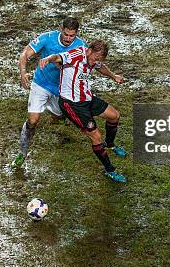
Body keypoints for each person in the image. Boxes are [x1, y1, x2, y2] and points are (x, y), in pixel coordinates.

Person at [38, 40, 127, 182]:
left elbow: (100, 66)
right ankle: (110, 170)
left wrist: (113, 76)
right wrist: (48, 59)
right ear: (89, 50)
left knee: (114, 116)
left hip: (86, 98)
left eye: (99, 59)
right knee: (96, 136)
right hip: (72, 104)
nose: (95, 62)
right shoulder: (75, 54)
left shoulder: (94, 59)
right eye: (95, 58)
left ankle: (110, 145)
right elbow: (58, 57)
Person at [11, 17, 85, 168]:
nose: (68, 39)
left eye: (72, 36)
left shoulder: (81, 46)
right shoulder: (48, 37)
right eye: (66, 34)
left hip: (62, 89)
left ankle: (58, 116)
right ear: (61, 29)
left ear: (77, 33)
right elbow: (25, 54)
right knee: (32, 121)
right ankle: (21, 153)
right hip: (41, 84)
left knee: (60, 115)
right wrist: (23, 72)